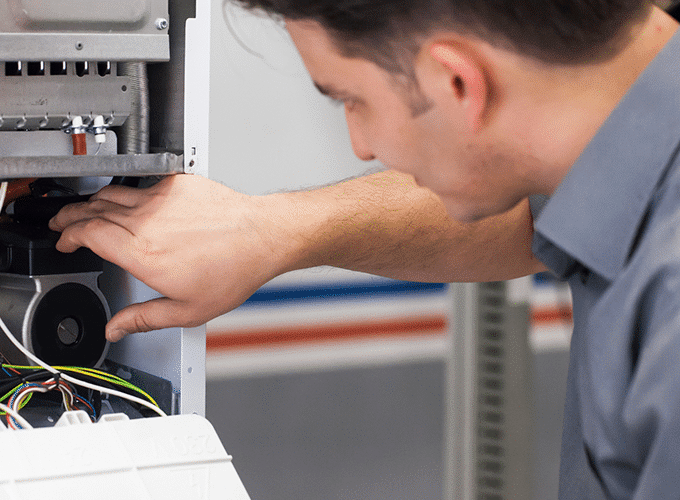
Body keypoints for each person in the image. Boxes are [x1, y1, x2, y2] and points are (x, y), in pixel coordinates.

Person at [51, 1, 680, 498]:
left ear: (458, 81)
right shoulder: (616, 127)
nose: (361, 145)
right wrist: (268, 232)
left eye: (352, 100)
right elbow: (522, 211)